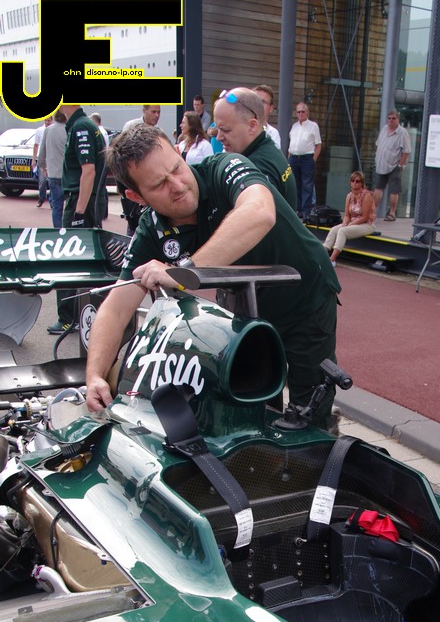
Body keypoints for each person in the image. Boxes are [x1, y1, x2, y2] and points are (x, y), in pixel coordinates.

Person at [85, 125, 341, 431]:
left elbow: (260, 212)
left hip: (305, 300)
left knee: (309, 415)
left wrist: (183, 272)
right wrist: (94, 376)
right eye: (159, 184)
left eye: (176, 168)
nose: (177, 185)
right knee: (248, 411)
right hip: (245, 311)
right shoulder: (152, 229)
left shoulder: (225, 167)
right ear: (136, 196)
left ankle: (323, 443)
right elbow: (116, 308)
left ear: (179, 154)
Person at [48, 104, 106, 334]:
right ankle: (82, 315)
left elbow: (88, 170)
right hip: (84, 201)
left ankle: (68, 318)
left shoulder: (81, 126)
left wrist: (79, 211)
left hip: (80, 202)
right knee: (84, 260)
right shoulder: (81, 125)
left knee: (68, 260)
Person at [213, 87, 296, 210]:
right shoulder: (269, 149)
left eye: (225, 130)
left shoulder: (257, 168)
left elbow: (258, 216)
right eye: (217, 129)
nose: (219, 137)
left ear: (252, 126)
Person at [119, 105, 161, 234]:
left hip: (151, 182)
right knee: (133, 221)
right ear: (144, 111)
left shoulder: (159, 132)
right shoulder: (131, 126)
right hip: (134, 182)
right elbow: (122, 155)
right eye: (153, 112)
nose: (157, 115)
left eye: (159, 112)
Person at [323, 171, 376, 266]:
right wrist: (345, 224)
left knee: (342, 231)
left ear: (362, 183)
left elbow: (365, 217)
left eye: (357, 181)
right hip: (352, 222)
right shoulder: (349, 196)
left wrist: (350, 225)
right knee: (334, 229)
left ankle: (332, 259)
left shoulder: (367, 196)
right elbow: (347, 215)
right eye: (352, 180)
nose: (354, 183)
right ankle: (323, 254)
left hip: (367, 224)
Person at [373, 110, 411, 222]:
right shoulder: (384, 129)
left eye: (393, 118)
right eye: (389, 118)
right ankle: (372, 211)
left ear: (398, 119)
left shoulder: (402, 133)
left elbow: (406, 151)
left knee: (394, 191)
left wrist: (400, 165)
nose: (391, 120)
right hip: (381, 165)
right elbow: (378, 144)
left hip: (394, 166)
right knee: (378, 188)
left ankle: (392, 213)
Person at [288, 102, 321, 218]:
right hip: (294, 157)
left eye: (303, 111)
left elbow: (318, 145)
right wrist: (289, 159)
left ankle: (306, 212)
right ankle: (298, 210)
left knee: (307, 185)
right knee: (295, 184)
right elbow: (291, 144)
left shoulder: (313, 126)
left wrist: (313, 160)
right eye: (298, 112)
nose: (300, 114)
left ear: (307, 113)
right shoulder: (294, 126)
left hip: (307, 158)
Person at [37, 109, 67, 228]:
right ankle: (70, 228)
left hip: (53, 172)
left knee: (56, 205)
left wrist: (43, 167)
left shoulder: (48, 130)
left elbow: (42, 151)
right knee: (71, 205)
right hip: (68, 173)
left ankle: (57, 229)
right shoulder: (70, 129)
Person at [32, 117, 52, 207]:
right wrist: (34, 159)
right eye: (46, 120)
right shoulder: (39, 130)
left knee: (52, 181)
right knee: (42, 181)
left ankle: (52, 201)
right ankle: (42, 197)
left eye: (49, 120)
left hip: (52, 158)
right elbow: (36, 145)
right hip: (42, 158)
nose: (47, 122)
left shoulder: (54, 130)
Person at [253, 84, 281, 148]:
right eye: (256, 100)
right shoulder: (242, 128)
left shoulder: (273, 134)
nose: (259, 104)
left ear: (271, 108)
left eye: (263, 101)